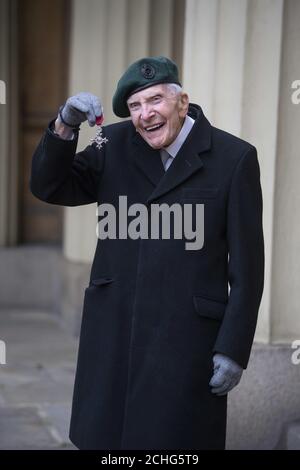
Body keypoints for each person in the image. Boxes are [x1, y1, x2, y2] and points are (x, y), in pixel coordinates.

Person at [30, 56, 264, 450]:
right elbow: (51, 187)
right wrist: (65, 125)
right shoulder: (113, 143)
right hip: (115, 329)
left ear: (182, 102)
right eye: (135, 106)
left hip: (186, 340)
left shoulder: (234, 158)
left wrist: (233, 349)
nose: (145, 115)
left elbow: (248, 267)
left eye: (154, 101)